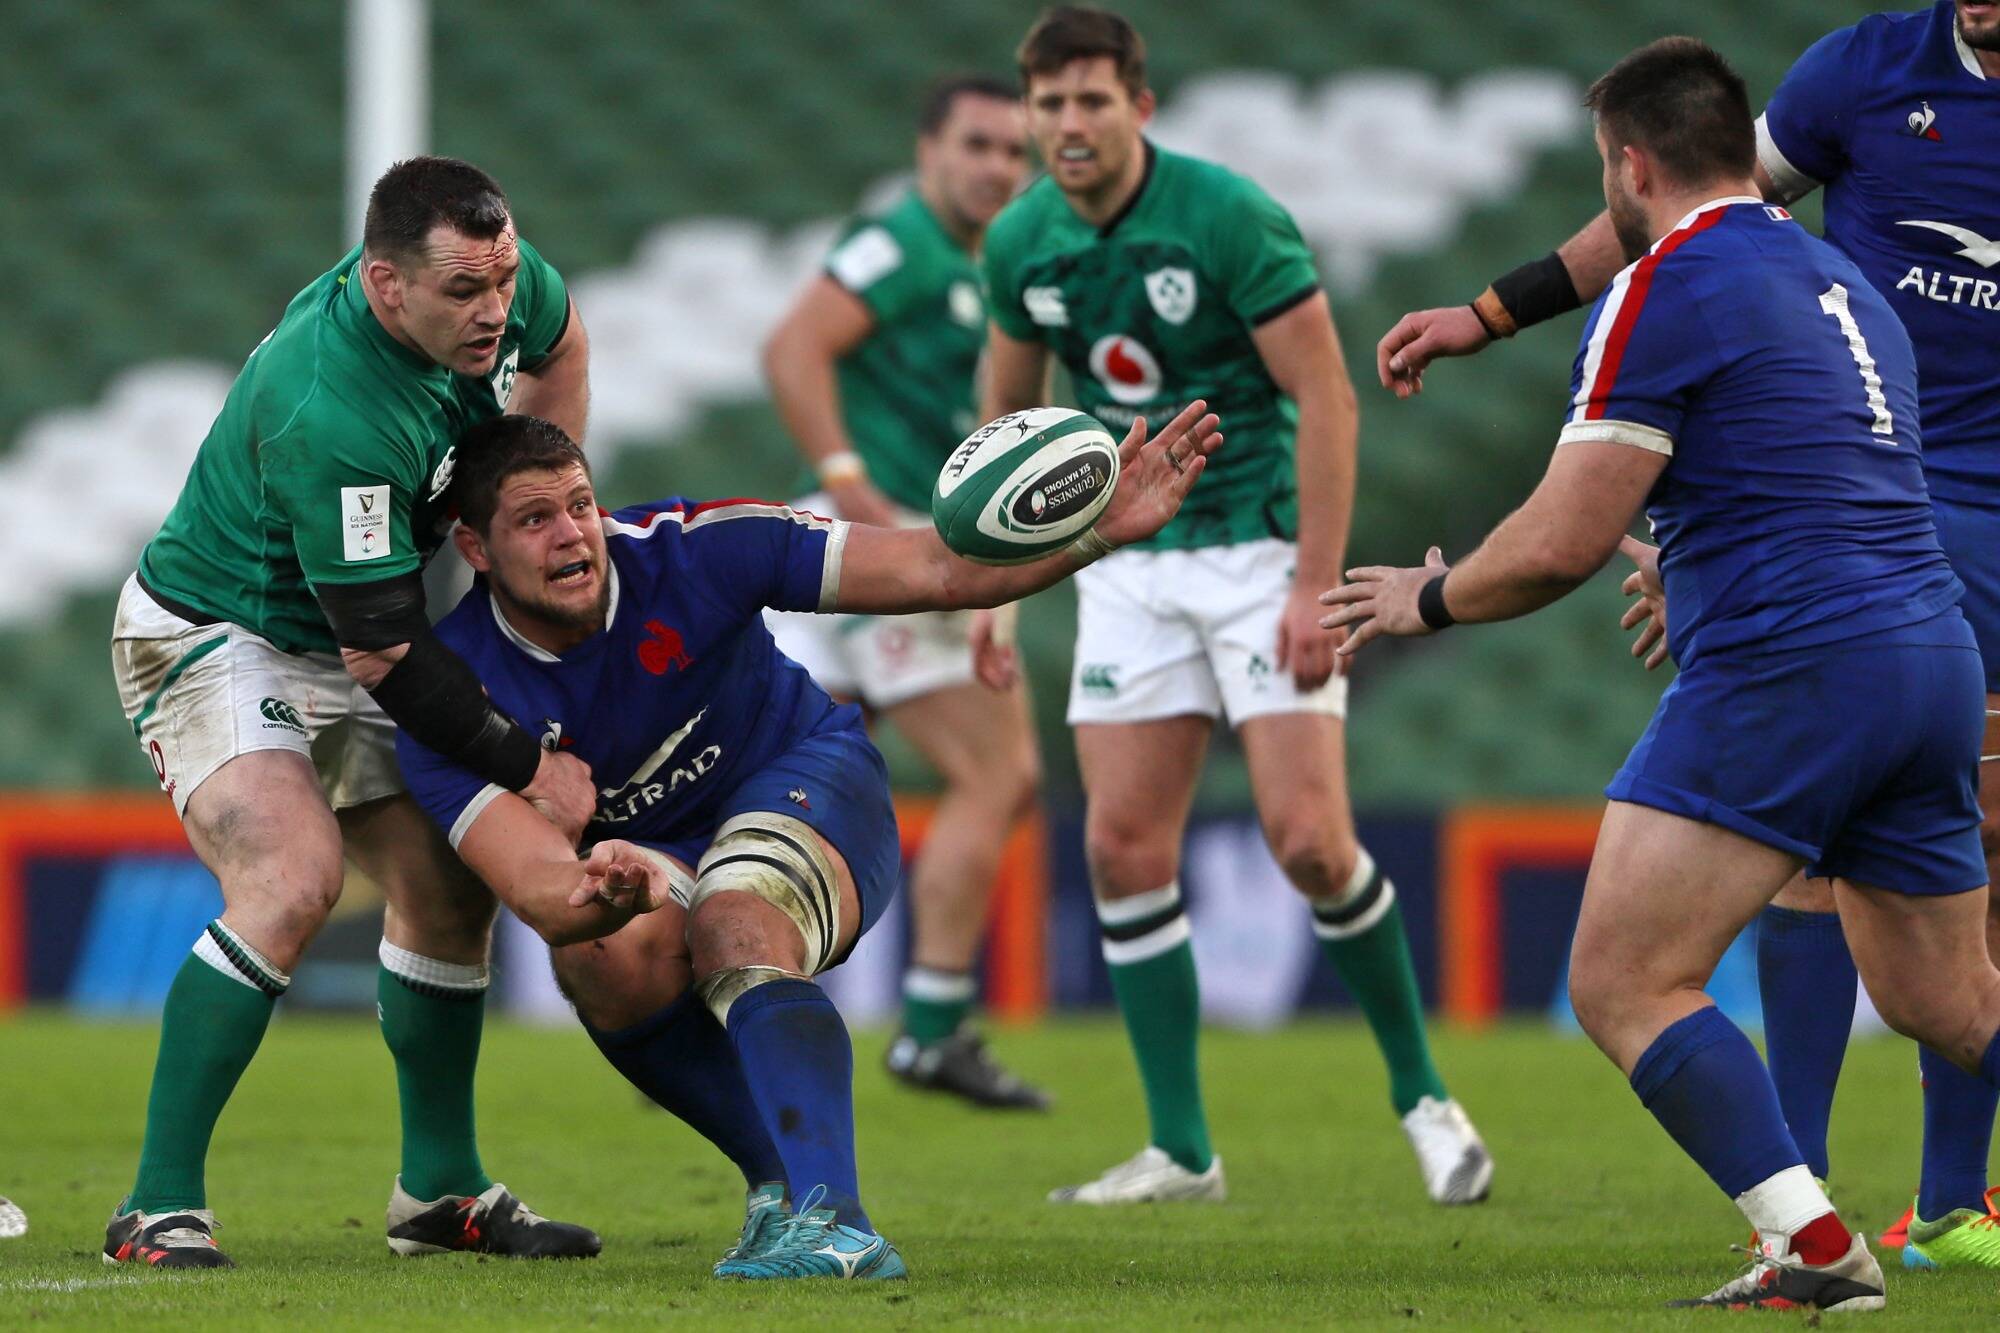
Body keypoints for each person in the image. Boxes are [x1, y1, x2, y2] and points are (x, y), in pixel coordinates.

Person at [1326, 37, 2000, 1311]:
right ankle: (1819, 1243)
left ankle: (1808, 1247)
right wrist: (1693, 565)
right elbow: (1817, 486)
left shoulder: (1657, 288)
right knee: (1949, 996)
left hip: (1793, 665)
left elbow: (1556, 544)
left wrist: (1424, 595)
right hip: (1930, 659)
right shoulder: (1843, 283)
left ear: (1629, 166)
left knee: (1623, 978)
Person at [395, 404, 1220, 1278]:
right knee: (600, 957)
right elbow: (543, 895)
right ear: (475, 547)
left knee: (734, 914)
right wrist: (607, 885)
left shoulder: (702, 546)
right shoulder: (448, 699)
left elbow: (938, 569)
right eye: (534, 518)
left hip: (809, 772)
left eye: (580, 504)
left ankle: (838, 1225)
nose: (573, 535)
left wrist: (1094, 538)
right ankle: (781, 1190)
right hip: (664, 852)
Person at [976, 5, 1489, 1206]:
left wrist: (1315, 583)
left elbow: (1325, 396)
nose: (1067, 124)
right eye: (1048, 103)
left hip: (1259, 548)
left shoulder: (1225, 214)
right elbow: (1004, 431)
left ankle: (1423, 1095)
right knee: (1116, 846)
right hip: (1124, 560)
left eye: (1090, 100)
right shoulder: (1019, 242)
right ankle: (1181, 1150)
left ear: (1138, 107)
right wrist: (991, 598)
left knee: (1307, 840)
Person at [106, 157, 601, 1268]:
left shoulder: (502, 281)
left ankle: (438, 1191)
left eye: (501, 281)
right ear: (385, 285)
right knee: (292, 878)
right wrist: (525, 761)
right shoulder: (332, 407)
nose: (494, 312)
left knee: (442, 882)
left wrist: (536, 482)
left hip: (357, 627)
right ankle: (152, 1207)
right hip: (216, 631)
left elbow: (561, 345)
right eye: (464, 294)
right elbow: (383, 652)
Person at [761, 75, 1049, 1109]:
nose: (995, 168)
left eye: (1013, 153)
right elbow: (792, 347)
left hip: (914, 563)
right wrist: (848, 484)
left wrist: (995, 595)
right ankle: (927, 1025)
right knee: (997, 769)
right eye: (976, 145)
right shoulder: (904, 245)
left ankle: (694, 997)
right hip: (875, 559)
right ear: (929, 150)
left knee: (775, 781)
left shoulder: (998, 267)